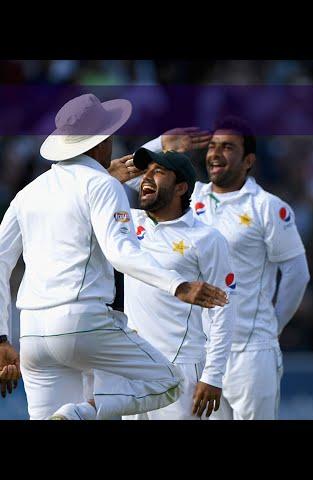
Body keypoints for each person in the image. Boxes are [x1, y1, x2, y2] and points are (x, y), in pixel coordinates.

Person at [0, 93, 228, 420]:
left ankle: (77, 413)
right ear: (102, 141)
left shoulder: (28, 193)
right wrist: (178, 285)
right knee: (170, 382)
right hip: (83, 323)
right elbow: (119, 251)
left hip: (33, 332)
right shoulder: (103, 186)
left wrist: (0, 337)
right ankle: (83, 412)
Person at [131, 117, 310, 419]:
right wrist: (160, 144)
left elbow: (297, 274)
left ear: (248, 160)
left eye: (227, 147)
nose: (215, 154)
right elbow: (138, 180)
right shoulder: (191, 196)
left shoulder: (267, 206)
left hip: (248, 352)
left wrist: (271, 327)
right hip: (202, 352)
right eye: (212, 146)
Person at [119, 148, 235, 419]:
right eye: (144, 172)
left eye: (158, 172)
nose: (146, 178)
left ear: (181, 187)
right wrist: (120, 172)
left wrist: (213, 376)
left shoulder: (207, 238)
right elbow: (87, 193)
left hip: (180, 367)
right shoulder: (126, 222)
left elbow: (223, 309)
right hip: (132, 366)